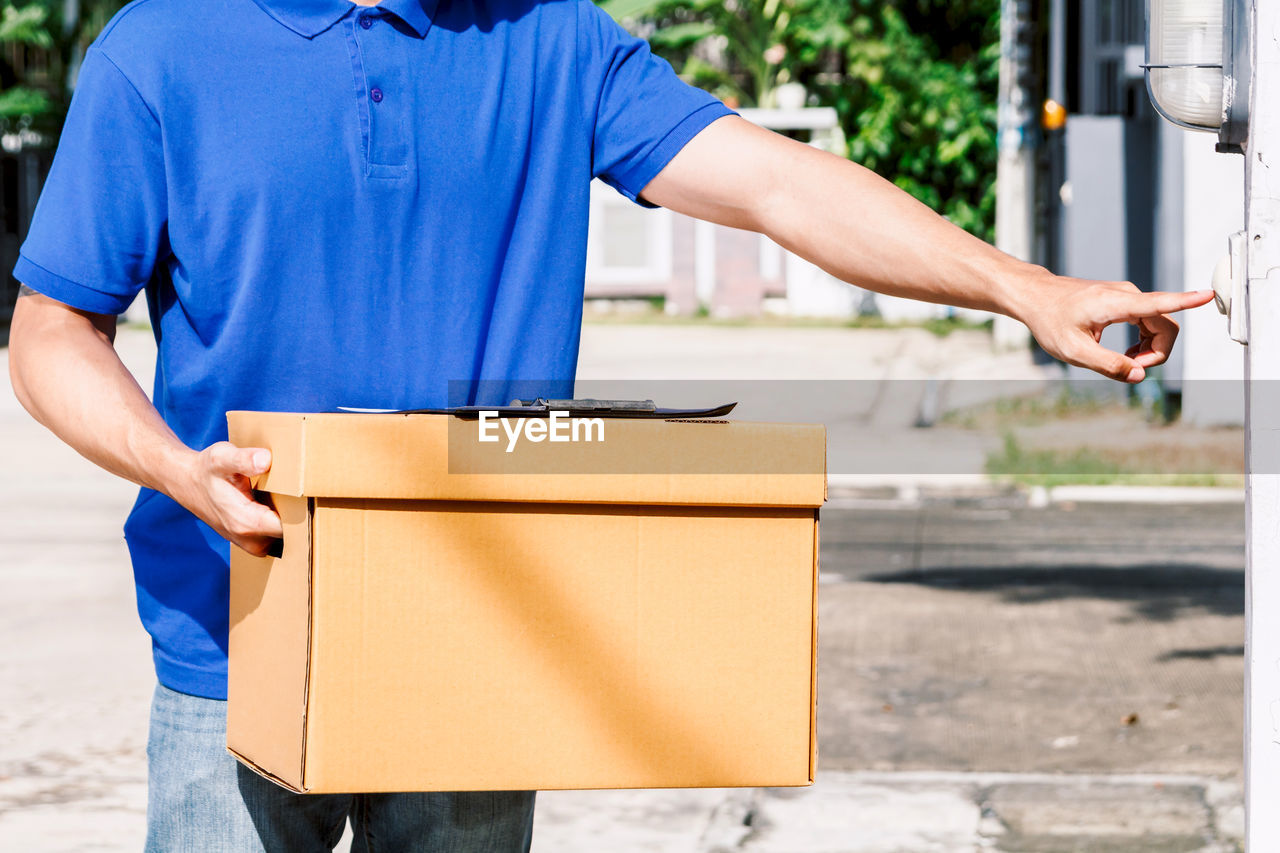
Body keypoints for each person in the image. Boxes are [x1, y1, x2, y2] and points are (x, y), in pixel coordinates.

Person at [7, 0, 1212, 849]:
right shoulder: (160, 49)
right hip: (235, 629)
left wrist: (1026, 288)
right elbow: (52, 331)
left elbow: (777, 182)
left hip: (477, 621)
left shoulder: (549, 40)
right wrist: (173, 467)